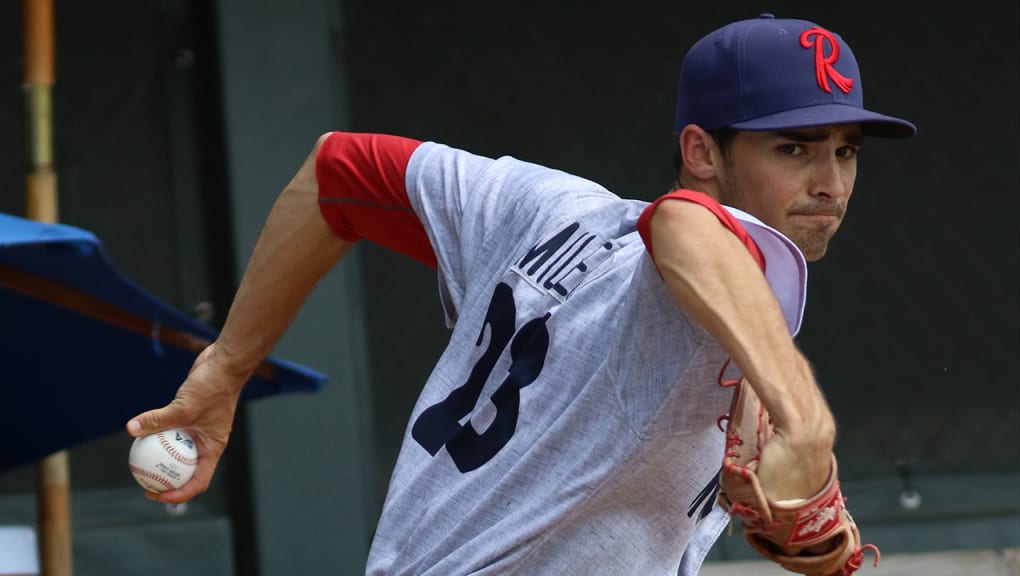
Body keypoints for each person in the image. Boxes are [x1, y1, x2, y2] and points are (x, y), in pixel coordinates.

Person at [127, 13, 914, 575]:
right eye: (795, 148)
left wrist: (225, 369)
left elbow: (338, 172)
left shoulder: (547, 209)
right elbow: (684, 225)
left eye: (846, 152)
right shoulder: (721, 247)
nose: (830, 183)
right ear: (700, 150)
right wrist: (804, 421)